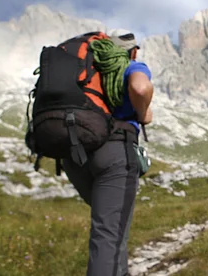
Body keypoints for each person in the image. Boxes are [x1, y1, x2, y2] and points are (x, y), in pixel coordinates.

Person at [61, 29, 154, 276]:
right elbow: (141, 88)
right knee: (108, 234)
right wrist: (144, 113)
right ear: (132, 51)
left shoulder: (84, 70)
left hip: (74, 154)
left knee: (112, 229)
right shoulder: (130, 64)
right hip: (114, 151)